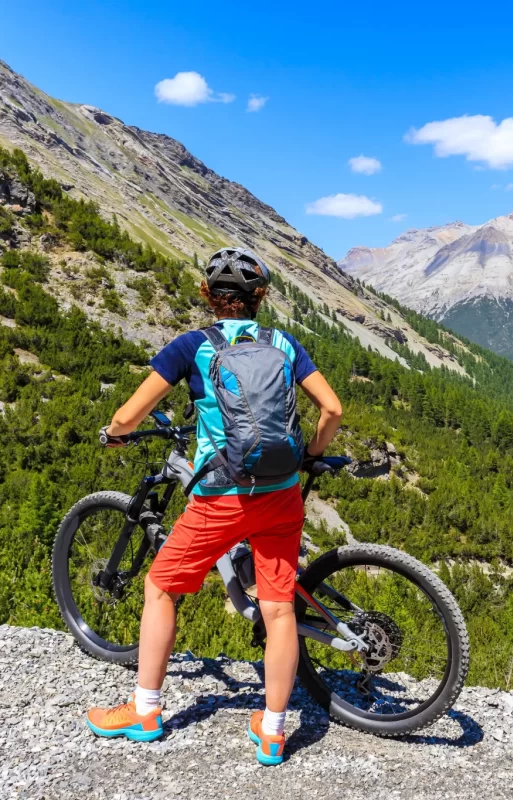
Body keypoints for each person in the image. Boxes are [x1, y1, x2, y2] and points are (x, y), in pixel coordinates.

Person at [85, 247, 342, 766]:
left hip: (221, 498)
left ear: (208, 295)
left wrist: (113, 434)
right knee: (277, 608)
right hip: (282, 493)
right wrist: (309, 456)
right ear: (259, 298)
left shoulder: (191, 347)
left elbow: (130, 415)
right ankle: (272, 733)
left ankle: (146, 709)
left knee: (160, 588)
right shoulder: (284, 344)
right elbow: (333, 408)